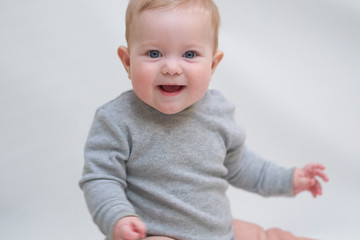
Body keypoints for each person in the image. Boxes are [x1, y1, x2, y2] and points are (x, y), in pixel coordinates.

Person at [79, 0, 329, 239]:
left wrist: (288, 179)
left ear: (212, 64)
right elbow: (101, 178)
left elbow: (242, 165)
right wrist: (118, 217)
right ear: (127, 61)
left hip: (219, 234)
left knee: (265, 235)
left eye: (189, 54)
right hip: (153, 234)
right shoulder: (116, 120)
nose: (172, 68)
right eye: (154, 53)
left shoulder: (217, 111)